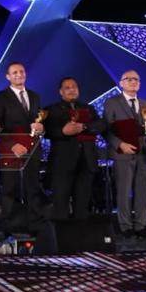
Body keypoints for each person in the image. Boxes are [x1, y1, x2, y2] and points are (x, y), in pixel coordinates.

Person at [0, 61, 45, 228]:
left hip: (32, 146)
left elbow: (38, 120)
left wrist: (41, 128)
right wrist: (12, 145)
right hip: (11, 147)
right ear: (8, 77)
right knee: (9, 185)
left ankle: (34, 221)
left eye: (21, 71)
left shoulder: (35, 96)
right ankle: (7, 222)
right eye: (14, 72)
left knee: (33, 184)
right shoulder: (0, 97)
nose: (19, 74)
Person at [43, 77, 105, 221]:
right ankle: (61, 234)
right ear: (61, 92)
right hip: (62, 164)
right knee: (60, 206)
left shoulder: (88, 108)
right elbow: (47, 131)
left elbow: (101, 125)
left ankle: (81, 233)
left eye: (74, 87)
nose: (72, 90)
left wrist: (84, 126)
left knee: (82, 207)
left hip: (86, 162)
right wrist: (63, 131)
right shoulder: (51, 110)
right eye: (67, 87)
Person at [103, 70, 146, 236]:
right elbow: (106, 130)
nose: (133, 82)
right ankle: (125, 226)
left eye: (136, 79)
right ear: (121, 83)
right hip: (123, 152)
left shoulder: (145, 103)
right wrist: (120, 144)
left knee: (142, 190)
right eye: (129, 79)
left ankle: (141, 225)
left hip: (144, 151)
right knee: (124, 191)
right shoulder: (112, 102)